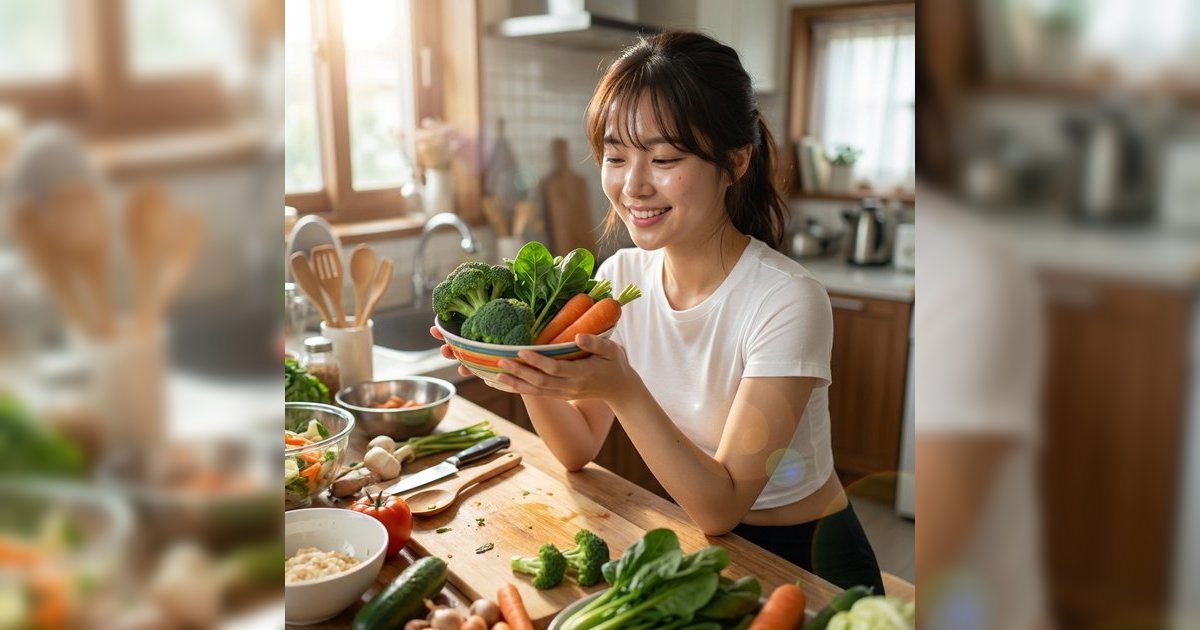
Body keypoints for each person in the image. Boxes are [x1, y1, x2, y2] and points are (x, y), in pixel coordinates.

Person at [432, 30, 884, 593]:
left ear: (736, 161)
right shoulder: (620, 279)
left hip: (808, 559)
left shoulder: (786, 298)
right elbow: (576, 449)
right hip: (709, 549)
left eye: (665, 158)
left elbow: (722, 505)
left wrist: (623, 390)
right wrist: (519, 366)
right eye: (615, 158)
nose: (633, 185)